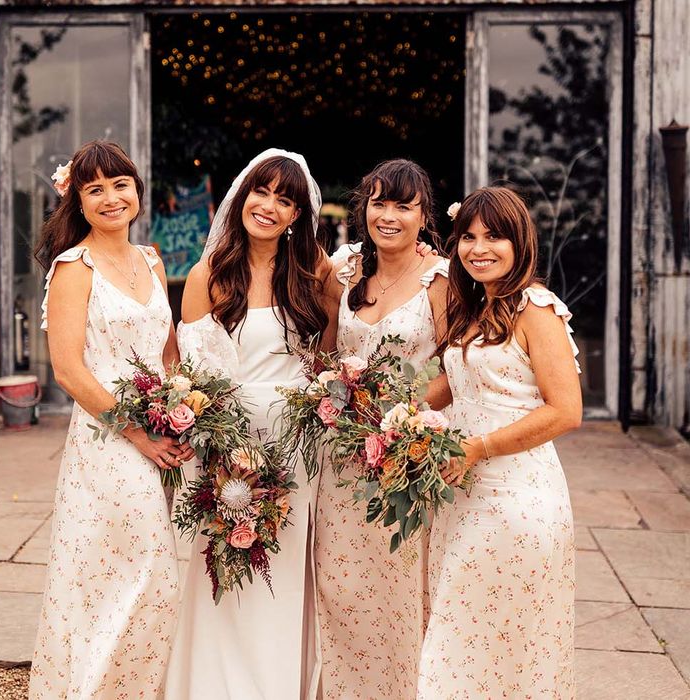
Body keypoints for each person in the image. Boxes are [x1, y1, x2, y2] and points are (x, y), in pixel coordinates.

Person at [164, 149, 332, 700]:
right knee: (219, 575)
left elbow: (329, 358)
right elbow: (187, 374)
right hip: (222, 447)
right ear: (242, 196)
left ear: (297, 217)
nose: (269, 206)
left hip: (293, 450)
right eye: (262, 192)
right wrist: (214, 444)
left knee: (278, 581)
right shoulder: (206, 275)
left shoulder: (316, 275)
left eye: (285, 200)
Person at [29, 141, 192, 698]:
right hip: (109, 441)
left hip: (161, 435)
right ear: (77, 199)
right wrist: (138, 435)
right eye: (94, 188)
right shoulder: (74, 267)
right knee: (140, 570)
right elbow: (69, 372)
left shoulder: (151, 259)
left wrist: (186, 407)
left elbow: (166, 352)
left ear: (136, 191)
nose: (110, 197)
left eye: (119, 184)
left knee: (140, 577)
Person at [417, 187, 580, 699]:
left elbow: (565, 411)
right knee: (465, 636)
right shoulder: (473, 310)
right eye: (468, 236)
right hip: (461, 494)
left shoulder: (536, 310)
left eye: (494, 236)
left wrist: (478, 449)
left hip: (517, 498)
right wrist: (393, 421)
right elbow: (450, 389)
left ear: (520, 242)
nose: (478, 247)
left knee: (496, 642)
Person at [315, 159, 449, 700]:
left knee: (399, 589)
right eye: (378, 203)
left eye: (402, 205)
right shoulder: (344, 271)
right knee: (339, 586)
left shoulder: (441, 277)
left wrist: (400, 417)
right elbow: (324, 354)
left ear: (423, 215)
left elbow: (455, 371)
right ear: (363, 207)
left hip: (403, 456)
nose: (388, 216)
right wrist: (329, 399)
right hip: (340, 459)